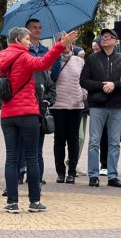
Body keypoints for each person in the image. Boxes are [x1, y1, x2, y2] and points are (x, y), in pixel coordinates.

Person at [0, 27, 77, 214]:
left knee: (11, 159)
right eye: (26, 38)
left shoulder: (2, 57)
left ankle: (12, 203)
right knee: (32, 158)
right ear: (17, 40)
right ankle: (34, 202)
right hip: (27, 113)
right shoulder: (24, 57)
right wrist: (60, 46)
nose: (29, 41)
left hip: (8, 114)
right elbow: (43, 63)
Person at [80, 28, 121, 188]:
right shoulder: (92, 59)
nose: (105, 39)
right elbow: (83, 81)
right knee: (94, 141)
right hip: (97, 105)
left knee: (114, 142)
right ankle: (93, 175)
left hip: (116, 106)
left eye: (109, 37)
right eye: (103, 36)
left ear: (115, 41)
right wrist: (101, 85)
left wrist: (115, 85)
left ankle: (112, 175)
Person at [50, 41, 86, 184]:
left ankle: (72, 171)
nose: (66, 46)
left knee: (74, 140)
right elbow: (51, 78)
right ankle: (60, 172)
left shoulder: (79, 61)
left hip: (76, 106)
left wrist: (83, 94)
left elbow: (84, 80)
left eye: (68, 44)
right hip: (58, 106)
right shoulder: (53, 60)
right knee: (59, 140)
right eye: (62, 44)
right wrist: (56, 61)